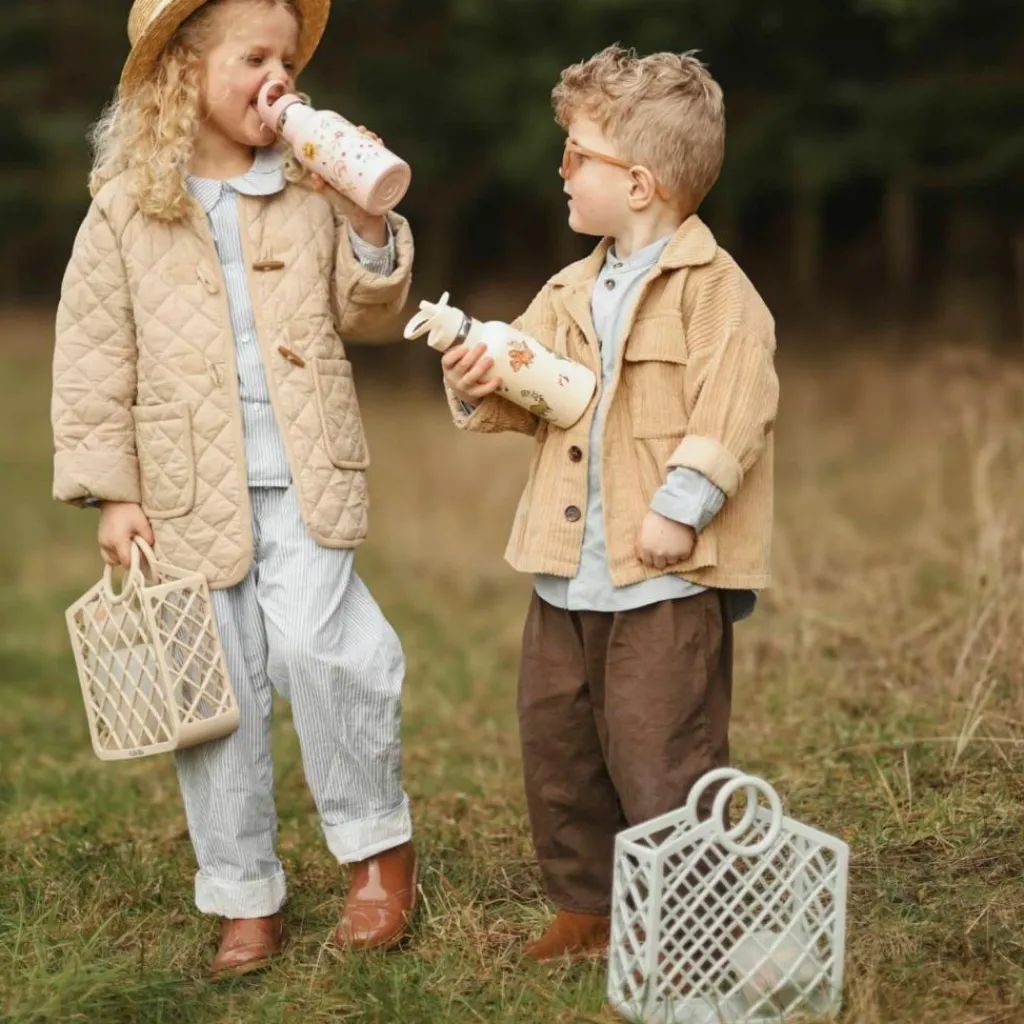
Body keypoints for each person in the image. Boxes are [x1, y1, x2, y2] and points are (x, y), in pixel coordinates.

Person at [51, 0, 417, 976]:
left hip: (306, 471)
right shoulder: (127, 204)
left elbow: (367, 312)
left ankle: (377, 849)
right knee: (218, 699)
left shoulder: (309, 188)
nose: (279, 75)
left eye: (288, 58)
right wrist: (110, 490)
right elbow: (94, 359)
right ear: (184, 68)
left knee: (324, 648)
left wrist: (369, 223)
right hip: (182, 487)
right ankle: (242, 890)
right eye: (254, 56)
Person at [440, 44, 778, 960]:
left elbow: (735, 411)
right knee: (560, 751)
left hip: (662, 579)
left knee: (661, 751)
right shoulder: (569, 290)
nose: (560, 169)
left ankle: (690, 920)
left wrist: (681, 505)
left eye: (576, 154)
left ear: (639, 182)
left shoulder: (718, 297)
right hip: (564, 576)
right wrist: (481, 376)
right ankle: (587, 905)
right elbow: (535, 394)